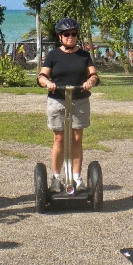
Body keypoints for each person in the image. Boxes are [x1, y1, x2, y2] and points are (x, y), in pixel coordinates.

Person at [37, 18, 99, 192]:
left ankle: (76, 178)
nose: (70, 37)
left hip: (79, 100)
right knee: (59, 139)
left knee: (77, 138)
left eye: (73, 34)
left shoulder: (84, 56)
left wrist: (90, 81)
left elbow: (93, 75)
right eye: (66, 34)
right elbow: (41, 76)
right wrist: (47, 83)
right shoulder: (53, 55)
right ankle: (56, 177)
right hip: (57, 100)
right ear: (60, 36)